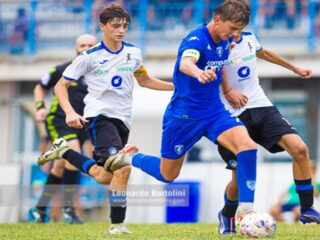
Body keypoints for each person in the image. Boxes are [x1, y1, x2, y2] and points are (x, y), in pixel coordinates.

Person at [105, 0, 259, 225]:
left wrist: (227, 89)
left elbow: (221, 63)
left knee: (247, 147)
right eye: (233, 29)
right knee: (168, 175)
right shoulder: (195, 39)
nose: (236, 35)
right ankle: (130, 156)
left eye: (240, 30)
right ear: (217, 20)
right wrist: (197, 72)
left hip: (214, 112)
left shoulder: (226, 40)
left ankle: (246, 213)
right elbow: (186, 63)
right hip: (183, 116)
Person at [38, 4, 174, 234]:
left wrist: (175, 88)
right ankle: (117, 225)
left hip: (123, 119)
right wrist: (71, 112)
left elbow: (145, 80)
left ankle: (64, 151)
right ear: (103, 26)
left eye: (125, 26)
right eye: (115, 26)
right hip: (100, 117)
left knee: (104, 176)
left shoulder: (134, 52)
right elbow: (60, 86)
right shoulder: (89, 57)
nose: (121, 30)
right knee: (123, 167)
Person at [215, 20, 320, 235]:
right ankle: (227, 214)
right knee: (238, 178)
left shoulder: (249, 39)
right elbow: (215, 68)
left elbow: (265, 53)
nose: (236, 30)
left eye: (240, 25)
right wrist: (229, 90)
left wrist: (294, 68)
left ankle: (307, 210)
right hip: (230, 114)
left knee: (299, 149)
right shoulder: (215, 44)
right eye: (233, 25)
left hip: (260, 105)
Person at [29, 34, 97, 224]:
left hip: (82, 125)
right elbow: (39, 87)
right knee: (74, 152)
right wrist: (40, 107)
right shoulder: (62, 69)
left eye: (90, 45)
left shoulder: (99, 72)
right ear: (76, 48)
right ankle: (69, 209)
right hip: (59, 120)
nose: (86, 48)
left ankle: (40, 208)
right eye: (82, 45)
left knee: (61, 165)